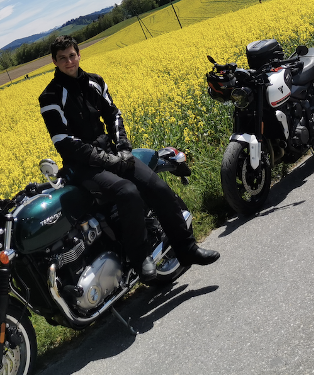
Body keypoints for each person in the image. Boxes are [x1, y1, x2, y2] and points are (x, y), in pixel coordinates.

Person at [38, 35, 219, 282]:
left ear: (79, 55)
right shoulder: (50, 96)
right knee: (127, 192)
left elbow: (113, 115)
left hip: (113, 153)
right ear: (54, 62)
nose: (69, 61)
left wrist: (123, 148)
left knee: (156, 185)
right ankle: (141, 258)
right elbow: (64, 141)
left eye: (72, 55)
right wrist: (107, 160)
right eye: (62, 58)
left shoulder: (94, 82)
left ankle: (187, 248)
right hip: (83, 166)